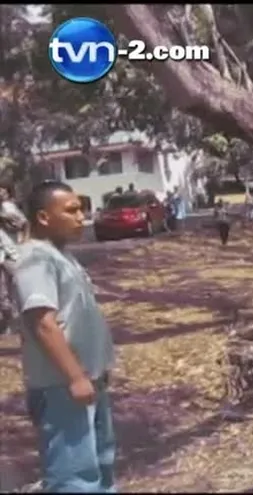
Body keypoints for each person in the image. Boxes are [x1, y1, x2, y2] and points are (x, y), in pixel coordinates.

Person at [13, 181, 116, 492]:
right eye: (71, 210)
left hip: (87, 380)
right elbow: (42, 322)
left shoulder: (61, 256)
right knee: (74, 479)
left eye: (81, 209)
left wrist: (96, 370)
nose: (81, 216)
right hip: (62, 387)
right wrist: (74, 377)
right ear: (43, 217)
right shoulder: (34, 258)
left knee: (101, 466)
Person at [0, 185, 27, 335]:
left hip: (12, 254)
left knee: (21, 287)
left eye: (3, 190)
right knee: (2, 294)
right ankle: (9, 323)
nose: (1, 192)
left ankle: (24, 322)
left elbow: (23, 224)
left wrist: (24, 241)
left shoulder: (9, 208)